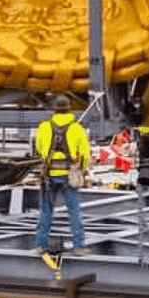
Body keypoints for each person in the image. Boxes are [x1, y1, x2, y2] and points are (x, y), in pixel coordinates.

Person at [32, 102, 91, 258]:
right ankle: (78, 247)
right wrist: (82, 170)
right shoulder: (77, 128)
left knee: (46, 212)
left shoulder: (44, 127)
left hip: (48, 175)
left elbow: (38, 148)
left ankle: (40, 245)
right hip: (69, 175)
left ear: (54, 110)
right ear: (69, 111)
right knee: (74, 212)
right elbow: (84, 153)